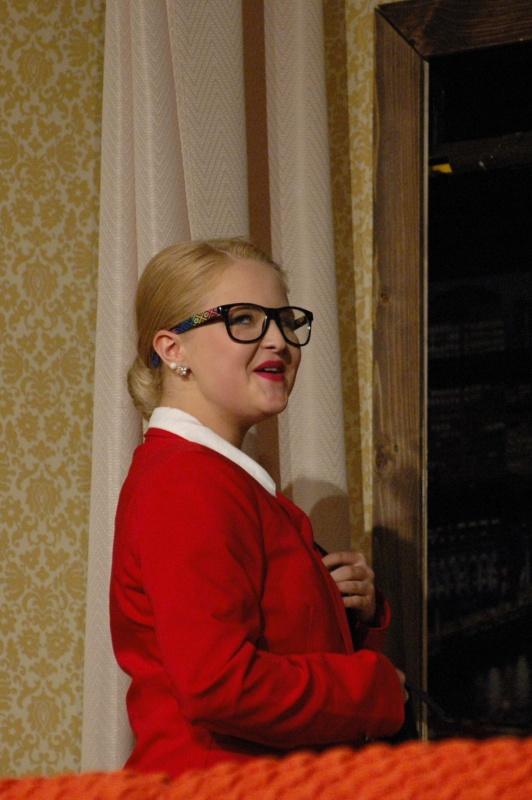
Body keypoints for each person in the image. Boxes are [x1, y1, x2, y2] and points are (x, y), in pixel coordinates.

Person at [110, 237, 407, 778]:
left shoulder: (216, 478)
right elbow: (219, 684)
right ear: (172, 349)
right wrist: (375, 689)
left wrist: (346, 610)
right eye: (243, 319)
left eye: (284, 321)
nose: (278, 341)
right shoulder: (185, 481)